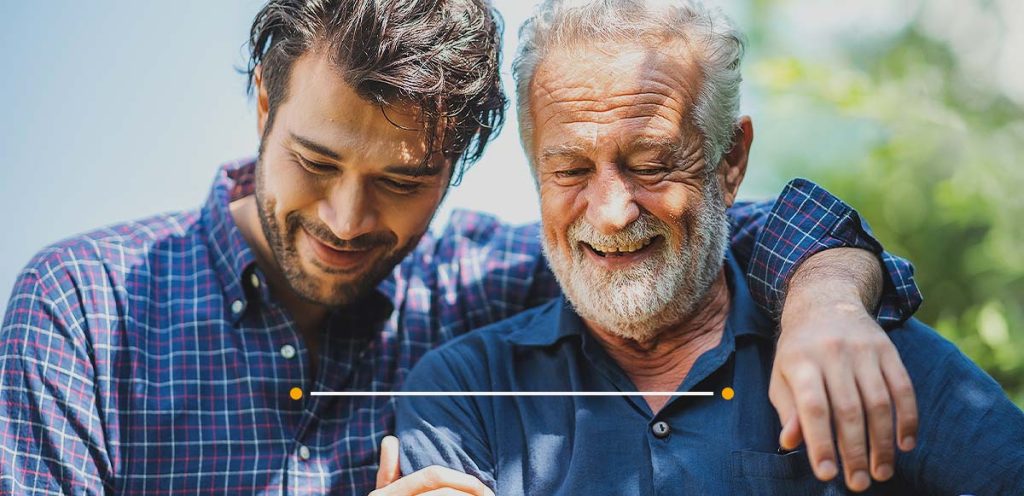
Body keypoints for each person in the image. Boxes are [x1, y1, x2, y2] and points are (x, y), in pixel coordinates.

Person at [0, 1, 921, 494]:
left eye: (402, 182)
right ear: (263, 110)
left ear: (460, 165)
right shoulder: (85, 308)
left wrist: (827, 298)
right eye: (316, 163)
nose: (348, 220)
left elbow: (697, 228)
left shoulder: (486, 284)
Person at [394, 1, 1024, 494]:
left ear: (730, 160)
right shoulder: (465, 394)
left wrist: (829, 298)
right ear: (534, 172)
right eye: (571, 171)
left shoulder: (844, 342)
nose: (611, 215)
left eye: (651, 164)